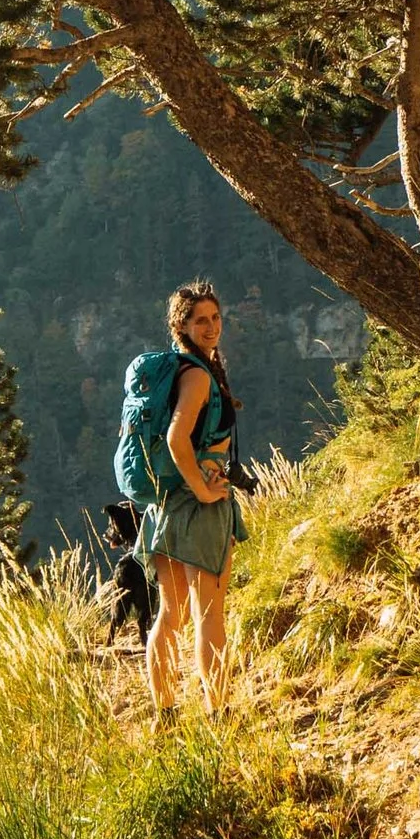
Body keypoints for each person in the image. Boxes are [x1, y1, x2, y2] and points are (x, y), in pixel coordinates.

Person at [143, 279, 242, 711]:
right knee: (209, 616)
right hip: (198, 507)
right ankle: (218, 713)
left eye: (216, 317)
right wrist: (203, 490)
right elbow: (176, 437)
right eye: (201, 320)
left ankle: (165, 712)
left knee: (172, 615)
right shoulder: (198, 377)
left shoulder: (178, 369)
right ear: (182, 325)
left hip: (164, 504)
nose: (212, 326)